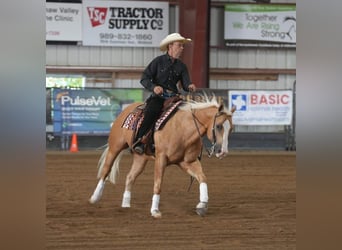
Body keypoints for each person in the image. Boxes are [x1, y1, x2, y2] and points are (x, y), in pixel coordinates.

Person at [133, 33, 197, 154]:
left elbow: (185, 84)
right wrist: (154, 87)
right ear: (170, 46)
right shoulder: (158, 62)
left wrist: (190, 86)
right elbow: (144, 78)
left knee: (189, 113)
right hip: (159, 97)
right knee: (152, 111)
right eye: (179, 45)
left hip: (174, 97)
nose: (182, 48)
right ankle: (140, 140)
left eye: (182, 46)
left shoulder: (182, 66)